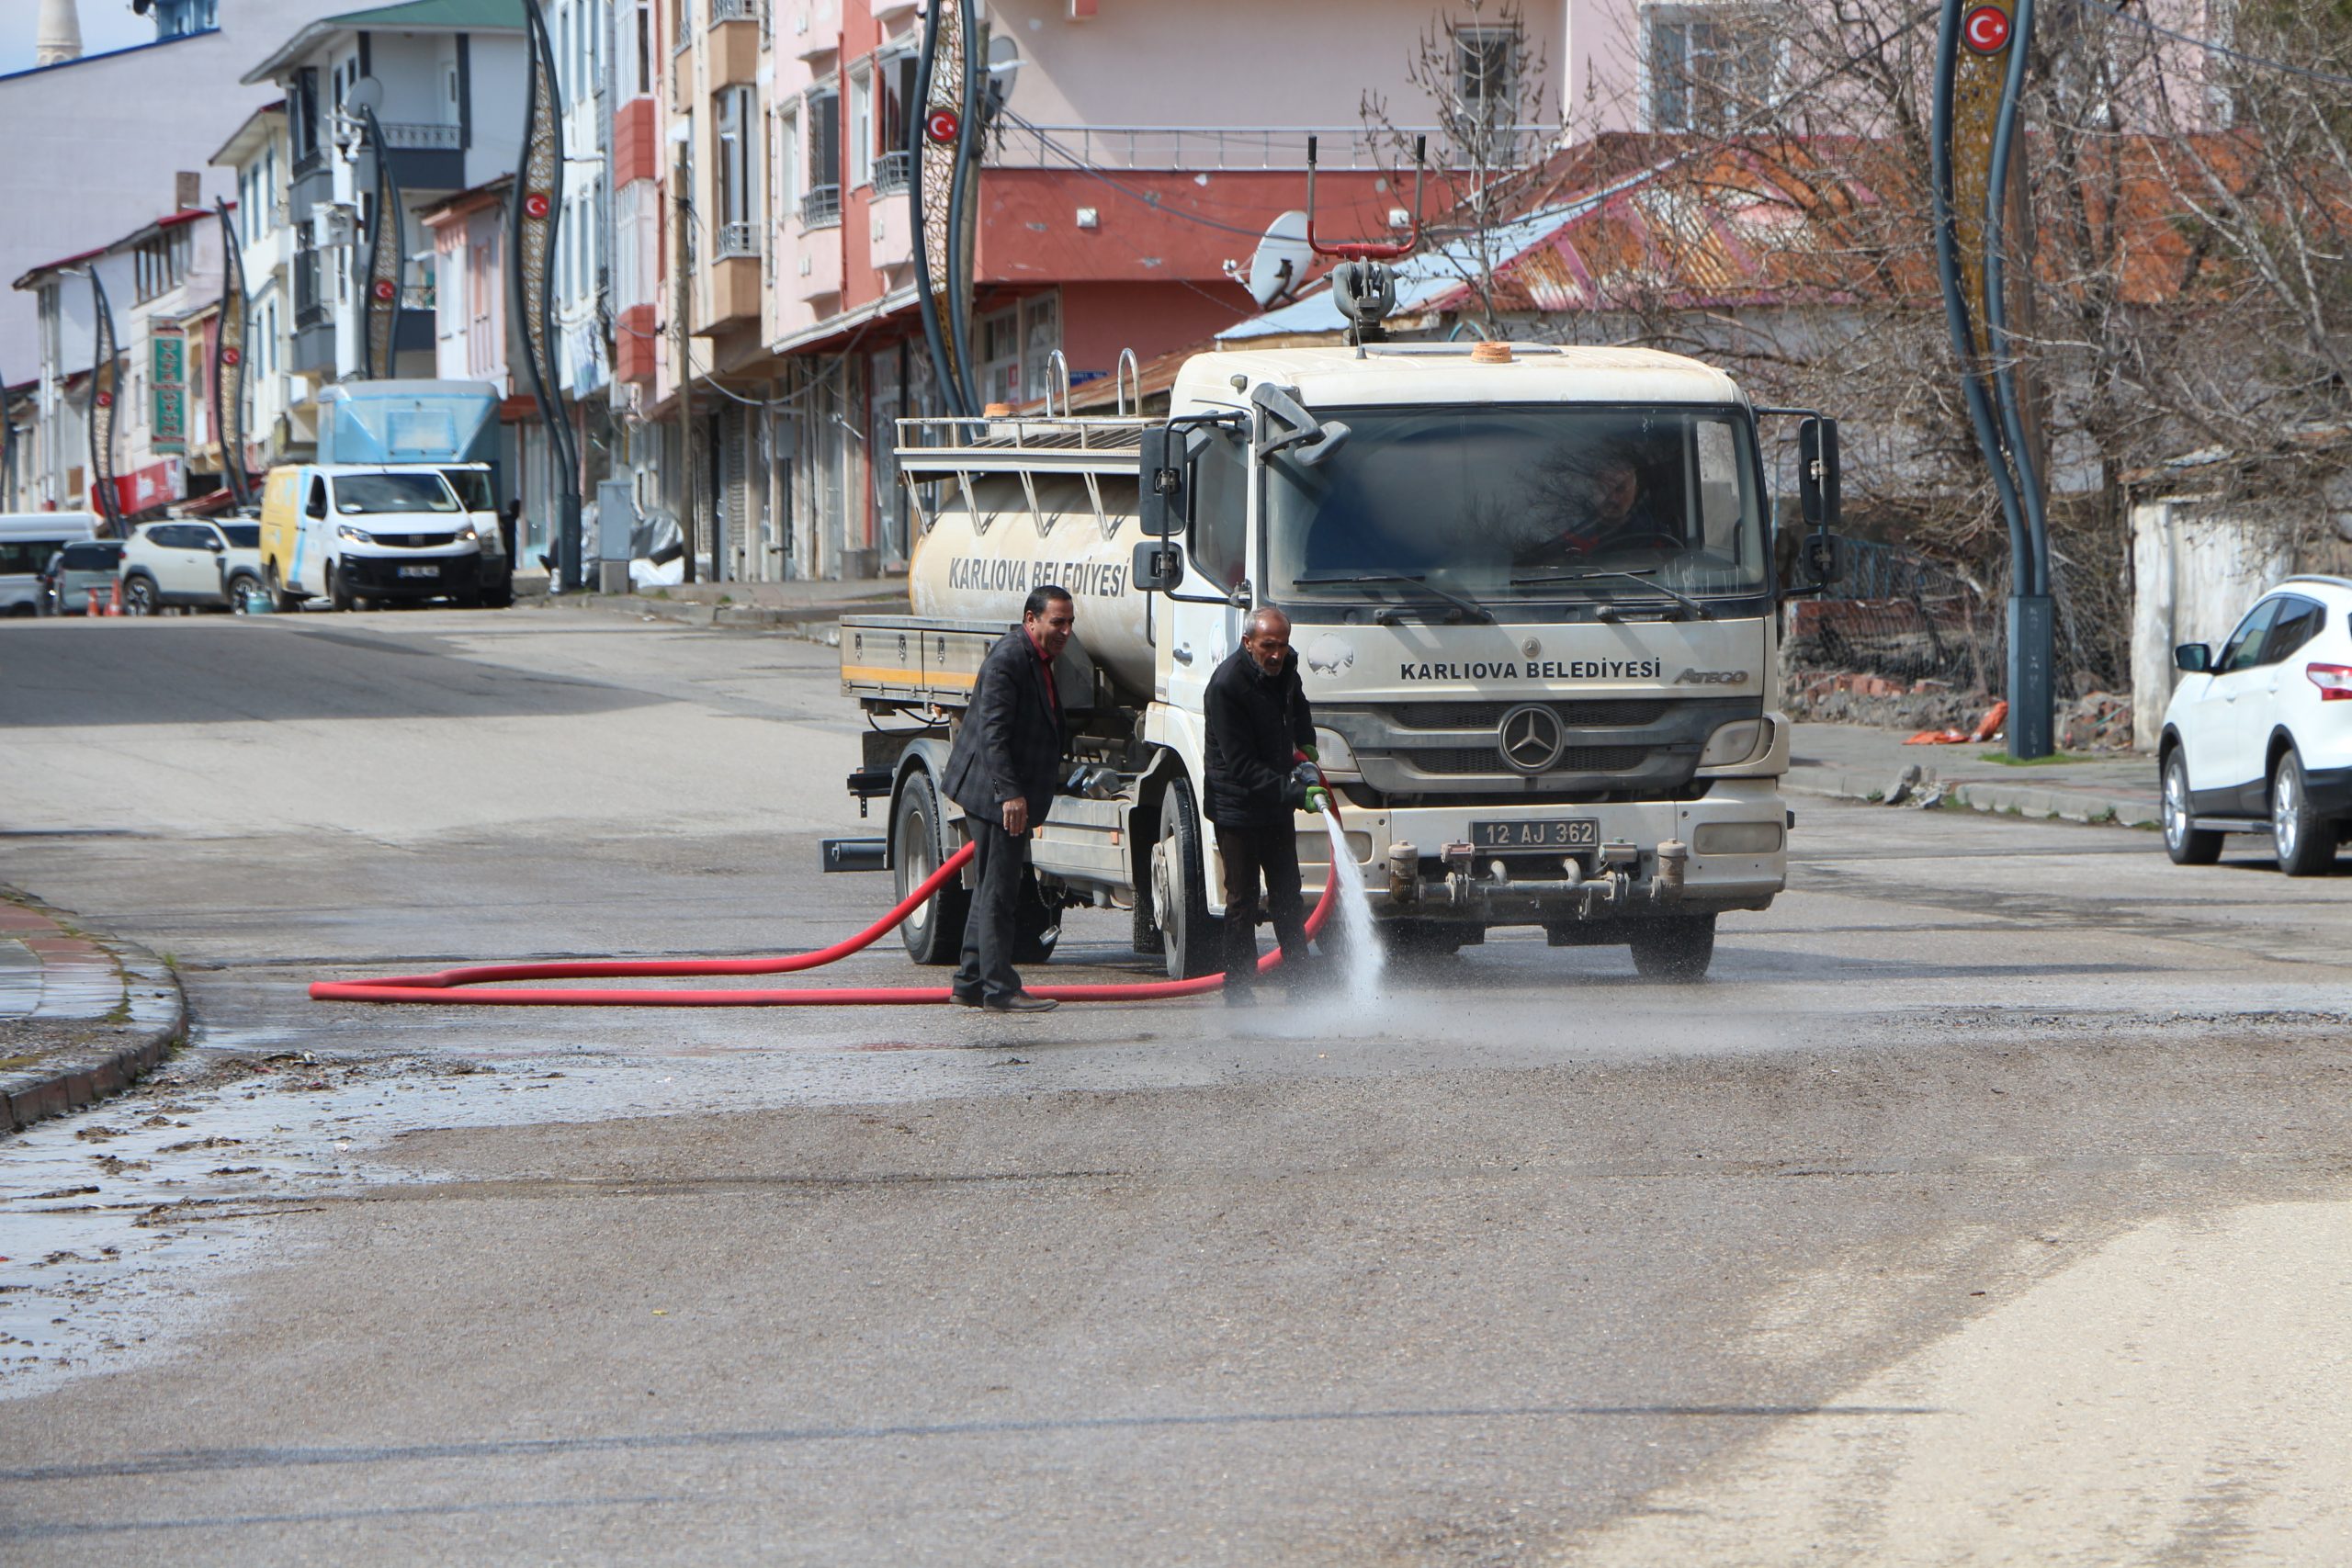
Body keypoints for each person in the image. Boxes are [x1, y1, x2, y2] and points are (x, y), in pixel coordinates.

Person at [941, 585, 1077, 1012]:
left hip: (999, 792)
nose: (1066, 631)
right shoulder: (1009, 659)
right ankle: (999, 989)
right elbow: (992, 734)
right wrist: (1011, 796)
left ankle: (969, 981)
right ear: (1031, 619)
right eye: (1058, 622)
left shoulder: (1034, 656)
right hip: (994, 794)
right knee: (1000, 890)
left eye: (1070, 623)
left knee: (989, 887)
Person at [1203, 605, 1329, 1006]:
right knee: (1242, 900)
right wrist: (1296, 793)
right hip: (1237, 806)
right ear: (1248, 643)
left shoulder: (1285, 666)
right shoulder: (1227, 686)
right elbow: (1241, 767)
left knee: (1288, 894)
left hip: (1274, 802)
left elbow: (1298, 702)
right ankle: (1238, 989)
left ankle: (1300, 981)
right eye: (1267, 646)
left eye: (1282, 645)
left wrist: (1305, 741)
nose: (1276, 654)